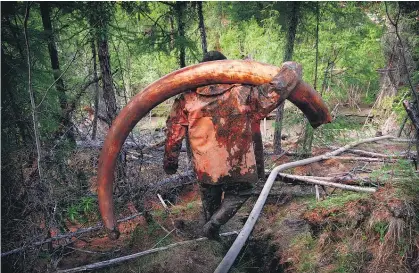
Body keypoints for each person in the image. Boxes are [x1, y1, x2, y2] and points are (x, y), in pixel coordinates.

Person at [163, 51, 302, 239]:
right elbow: (273, 92)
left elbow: (174, 133)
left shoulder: (187, 99)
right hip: (237, 163)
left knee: (210, 200)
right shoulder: (241, 92)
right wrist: (291, 70)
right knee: (240, 192)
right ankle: (214, 224)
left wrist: (170, 164)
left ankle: (211, 233)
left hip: (205, 167)